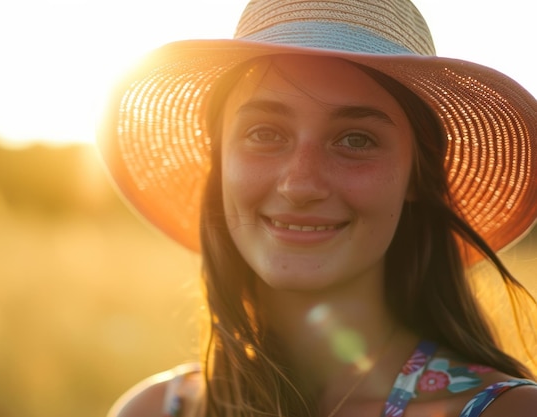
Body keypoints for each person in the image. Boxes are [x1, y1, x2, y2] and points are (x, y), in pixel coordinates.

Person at [97, 0, 537, 416]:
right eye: (264, 133)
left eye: (356, 140)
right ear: (220, 161)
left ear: (416, 176)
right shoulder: (153, 411)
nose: (300, 184)